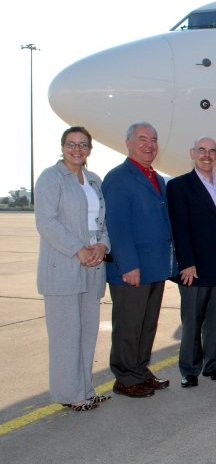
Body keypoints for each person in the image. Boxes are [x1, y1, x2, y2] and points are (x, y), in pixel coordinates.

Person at [35, 126, 111, 411]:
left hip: (93, 266)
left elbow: (104, 221)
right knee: (66, 336)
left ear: (90, 149)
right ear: (62, 146)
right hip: (63, 267)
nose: (77, 149)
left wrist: (103, 246)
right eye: (71, 144)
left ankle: (86, 389)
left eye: (83, 145)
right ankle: (70, 394)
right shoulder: (50, 178)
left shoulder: (93, 180)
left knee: (87, 333)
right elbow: (46, 221)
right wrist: (77, 248)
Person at [103, 122, 175, 398]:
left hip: (154, 266)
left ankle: (140, 371)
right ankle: (125, 377)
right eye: (142, 139)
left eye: (153, 139)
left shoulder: (154, 177)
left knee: (147, 324)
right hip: (132, 269)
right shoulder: (119, 177)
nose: (149, 144)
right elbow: (117, 225)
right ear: (129, 143)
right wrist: (129, 264)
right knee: (129, 325)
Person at [167, 137, 216, 388]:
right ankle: (189, 369)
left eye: (212, 151)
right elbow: (179, 228)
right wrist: (186, 262)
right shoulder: (179, 186)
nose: (207, 155)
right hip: (194, 264)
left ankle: (213, 365)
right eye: (202, 151)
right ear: (192, 153)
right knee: (192, 318)